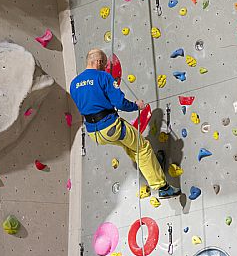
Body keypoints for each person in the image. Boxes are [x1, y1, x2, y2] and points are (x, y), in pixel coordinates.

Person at [70, 49, 181, 199]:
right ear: (99, 62)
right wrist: (137, 105)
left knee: (131, 147)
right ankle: (162, 187)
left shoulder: (74, 84)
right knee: (142, 148)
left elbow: (86, 105)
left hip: (94, 133)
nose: (105, 67)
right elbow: (120, 103)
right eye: (104, 64)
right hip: (110, 126)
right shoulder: (103, 77)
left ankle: (152, 166)